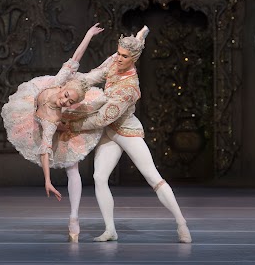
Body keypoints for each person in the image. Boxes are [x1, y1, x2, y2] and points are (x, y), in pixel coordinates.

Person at [62, 25, 192, 243]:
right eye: (118, 53)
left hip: (127, 131)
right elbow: (95, 75)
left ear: (134, 58)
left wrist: (72, 124)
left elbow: (102, 118)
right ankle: (110, 229)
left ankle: (181, 223)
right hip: (110, 132)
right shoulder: (115, 61)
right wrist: (71, 85)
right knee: (99, 177)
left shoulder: (130, 88)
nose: (119, 58)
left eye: (124, 56)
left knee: (153, 177)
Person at [1, 24, 105, 242]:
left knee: (72, 167)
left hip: (55, 123)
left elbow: (45, 149)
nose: (64, 100)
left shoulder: (55, 117)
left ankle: (74, 218)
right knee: (83, 75)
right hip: (34, 114)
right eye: (66, 95)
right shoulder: (58, 83)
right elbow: (75, 58)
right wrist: (88, 34)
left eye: (69, 101)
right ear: (62, 88)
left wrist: (47, 180)